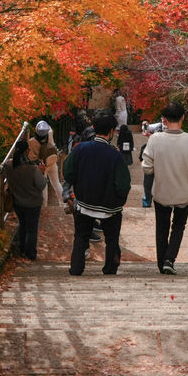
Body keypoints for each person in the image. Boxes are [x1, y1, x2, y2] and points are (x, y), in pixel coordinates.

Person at [141, 102, 188, 275]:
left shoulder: (155, 140)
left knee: (161, 227)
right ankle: (169, 259)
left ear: (163, 120)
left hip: (162, 191)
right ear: (183, 117)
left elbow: (147, 168)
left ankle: (162, 262)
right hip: (185, 192)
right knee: (178, 226)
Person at [63, 113, 131, 276]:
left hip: (84, 203)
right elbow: (123, 183)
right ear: (111, 132)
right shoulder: (115, 155)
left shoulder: (80, 149)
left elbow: (68, 172)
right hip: (110, 206)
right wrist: (119, 200)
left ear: (93, 128)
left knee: (81, 236)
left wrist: (75, 189)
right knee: (112, 239)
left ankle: (76, 268)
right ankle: (110, 268)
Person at [3, 139, 47, 260]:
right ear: (27, 151)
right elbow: (41, 185)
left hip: (17, 201)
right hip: (33, 202)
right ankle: (30, 253)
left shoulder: (8, 165)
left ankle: (21, 249)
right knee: (32, 229)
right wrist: (42, 172)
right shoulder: (33, 169)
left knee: (22, 225)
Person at [28, 120, 62, 206]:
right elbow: (50, 130)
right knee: (56, 183)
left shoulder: (32, 141)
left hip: (42, 166)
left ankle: (44, 205)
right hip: (52, 162)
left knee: (43, 185)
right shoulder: (49, 138)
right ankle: (63, 203)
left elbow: (32, 157)